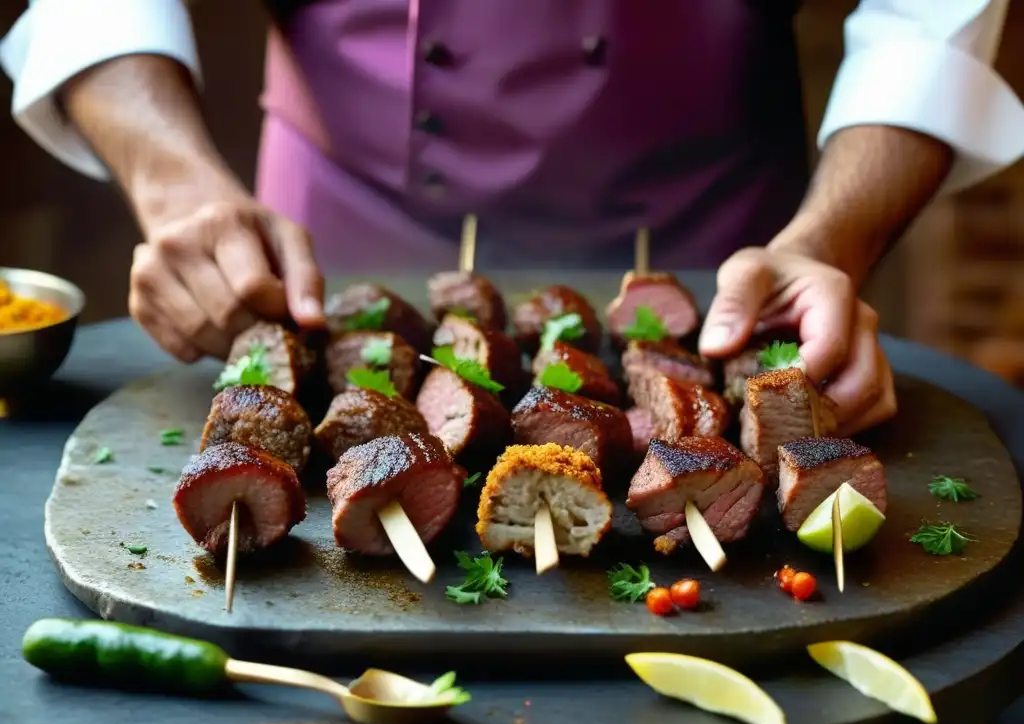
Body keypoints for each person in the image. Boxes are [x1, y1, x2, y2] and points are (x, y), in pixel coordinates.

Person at [1, 1, 1022, 436]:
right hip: (327, 247)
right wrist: (175, 185)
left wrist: (827, 242)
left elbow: (923, 12)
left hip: (722, 262)